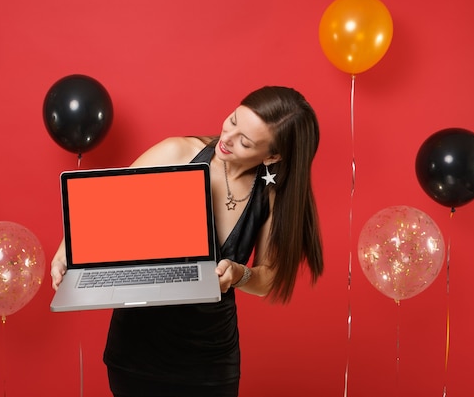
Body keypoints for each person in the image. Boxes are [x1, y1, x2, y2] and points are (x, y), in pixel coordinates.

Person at [50, 86, 324, 397]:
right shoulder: (176, 153)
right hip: (136, 350)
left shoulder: (271, 194)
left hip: (210, 360)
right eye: (233, 120)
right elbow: (102, 211)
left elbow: (267, 279)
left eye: (245, 142)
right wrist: (64, 256)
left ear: (272, 155)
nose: (228, 138)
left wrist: (239, 273)